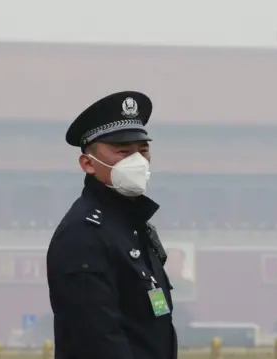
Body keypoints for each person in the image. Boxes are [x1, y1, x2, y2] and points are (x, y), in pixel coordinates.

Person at [46, 91, 177, 359]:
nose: (137, 161)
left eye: (143, 150)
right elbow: (97, 338)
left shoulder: (136, 227)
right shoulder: (82, 235)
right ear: (88, 163)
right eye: (123, 152)